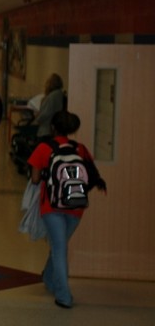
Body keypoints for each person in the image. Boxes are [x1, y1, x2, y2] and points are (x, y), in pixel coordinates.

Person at [27, 111, 106, 308]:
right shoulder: (80, 149)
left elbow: (35, 179)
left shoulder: (44, 148)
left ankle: (64, 296)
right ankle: (49, 278)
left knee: (59, 248)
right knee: (59, 245)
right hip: (76, 206)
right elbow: (91, 175)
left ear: (53, 127)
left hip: (51, 206)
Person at [34, 73, 66, 141]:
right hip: (55, 129)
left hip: (46, 130)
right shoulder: (60, 94)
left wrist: (37, 117)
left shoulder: (51, 97)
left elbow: (45, 113)